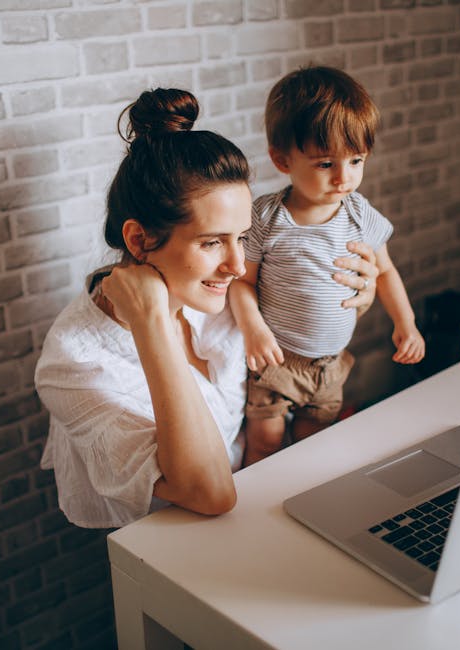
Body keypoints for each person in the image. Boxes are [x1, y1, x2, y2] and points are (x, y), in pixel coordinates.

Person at [34, 88, 380, 528]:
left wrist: (355, 296)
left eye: (242, 237)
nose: (237, 266)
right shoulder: (74, 362)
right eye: (212, 241)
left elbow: (306, 318)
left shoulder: (222, 292)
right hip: (179, 558)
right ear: (139, 240)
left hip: (274, 507)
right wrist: (152, 323)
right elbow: (209, 493)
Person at [229, 66, 425, 467]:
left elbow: (384, 271)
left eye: (356, 160)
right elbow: (242, 282)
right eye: (325, 164)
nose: (344, 177)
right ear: (282, 160)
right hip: (277, 360)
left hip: (330, 366)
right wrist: (253, 329)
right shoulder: (267, 217)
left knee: (312, 454)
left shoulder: (359, 213)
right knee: (263, 447)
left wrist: (405, 323)